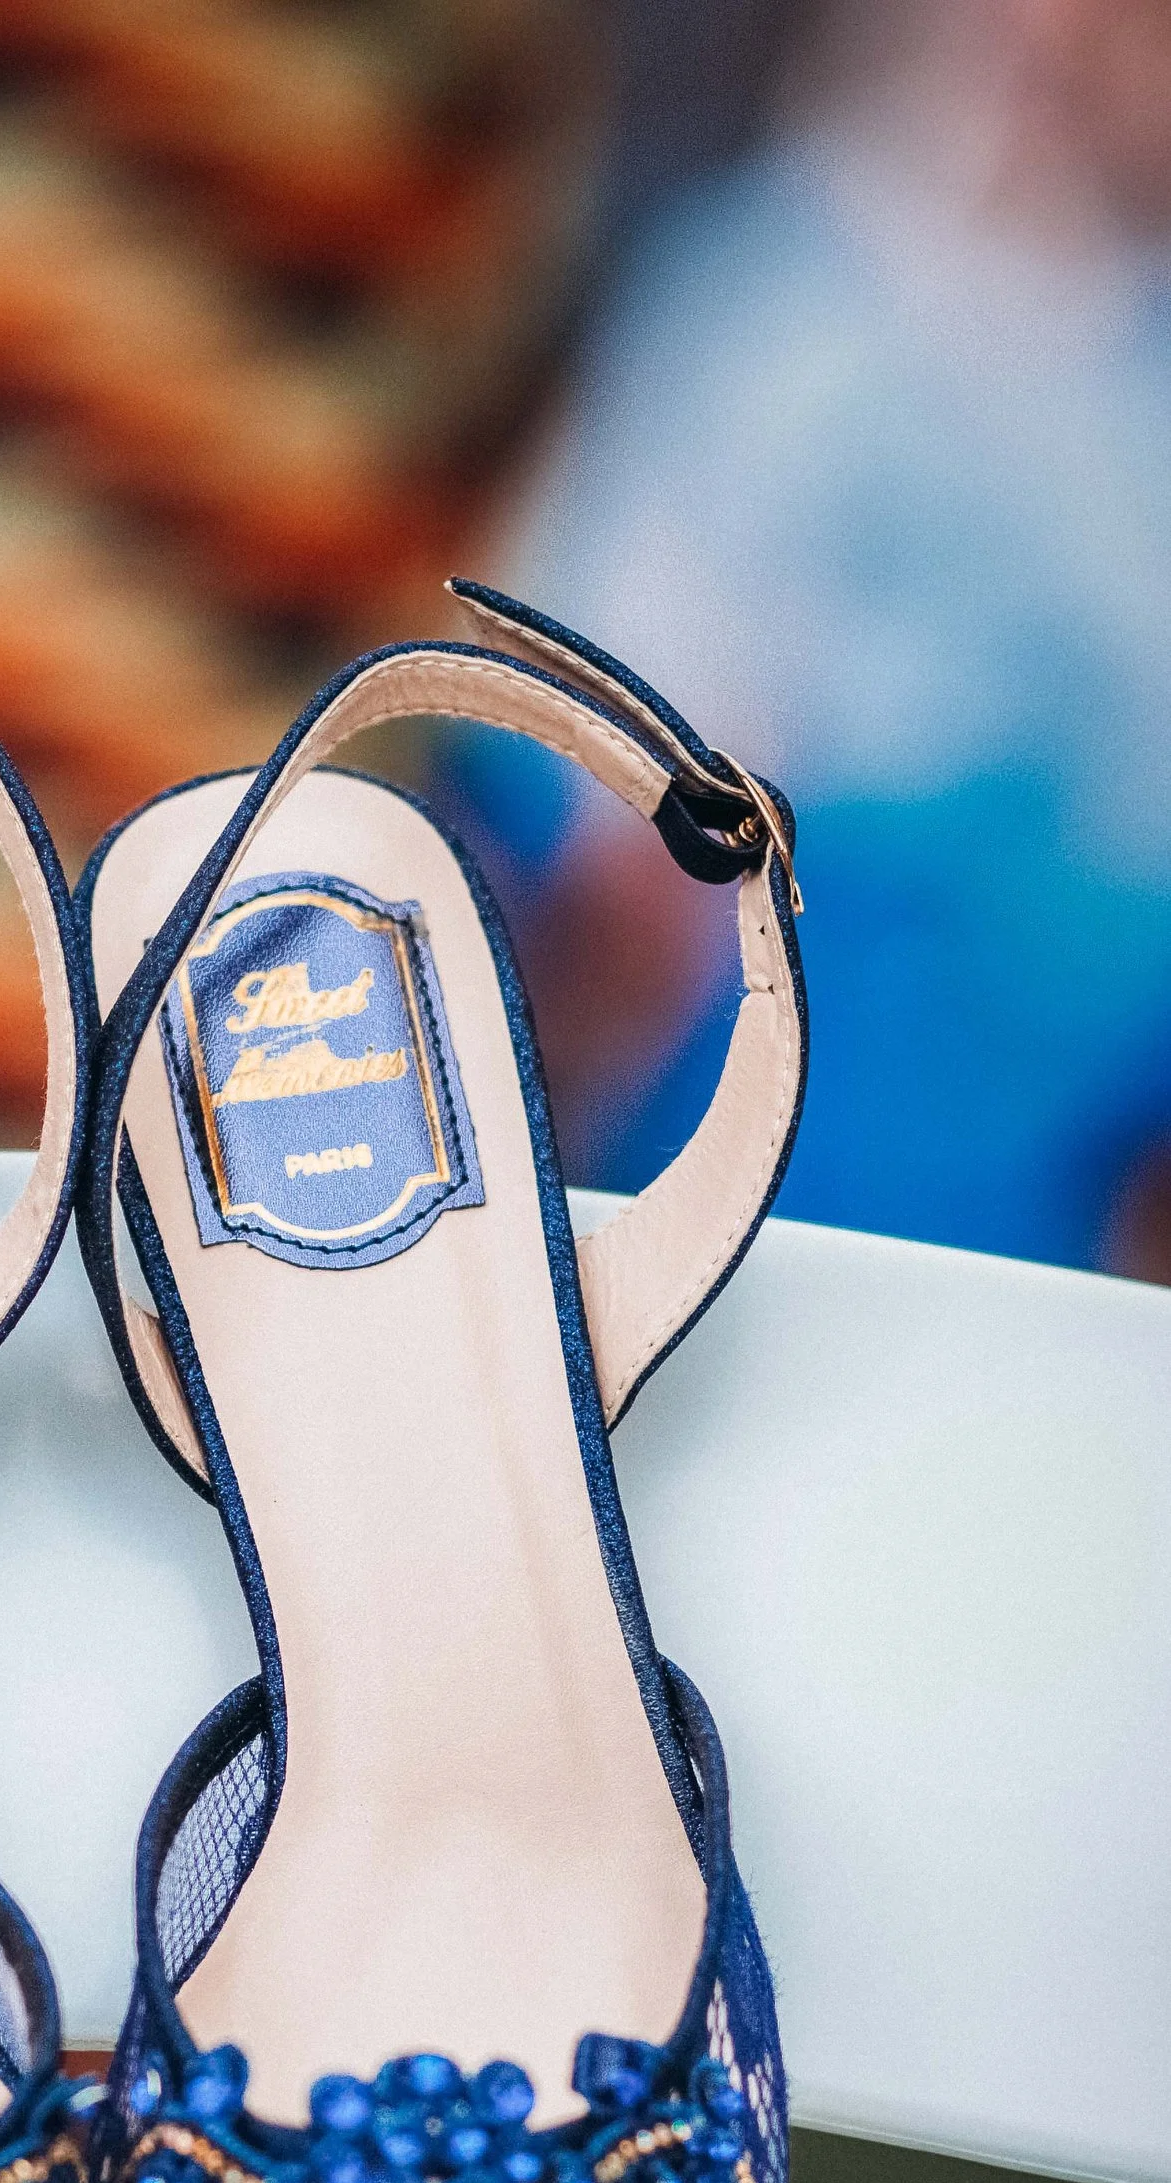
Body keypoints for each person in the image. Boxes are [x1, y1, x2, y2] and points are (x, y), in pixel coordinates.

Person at [463, 0, 1171, 1277]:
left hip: (1047, 1211)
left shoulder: (1131, 395)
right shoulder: (765, 307)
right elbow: (604, 779)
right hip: (724, 1146)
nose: (1044, 41)